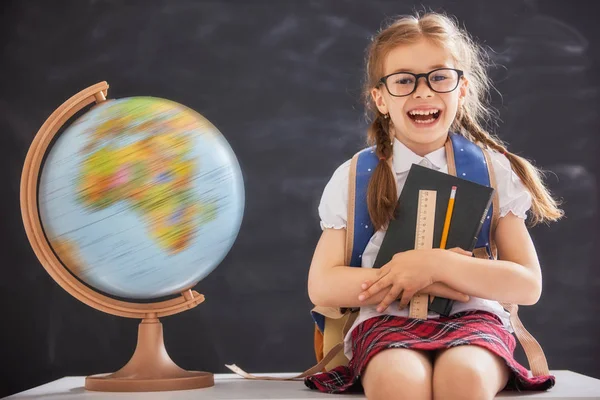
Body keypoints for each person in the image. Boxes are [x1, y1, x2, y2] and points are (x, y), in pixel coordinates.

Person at [305, 11, 562, 400]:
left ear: (461, 90)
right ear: (381, 99)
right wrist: (406, 275)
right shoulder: (354, 176)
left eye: (439, 77)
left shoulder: (494, 171)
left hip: (474, 317)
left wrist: (437, 265)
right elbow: (322, 285)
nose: (423, 92)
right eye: (404, 80)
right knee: (399, 380)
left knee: (465, 377)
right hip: (385, 320)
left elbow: (527, 285)